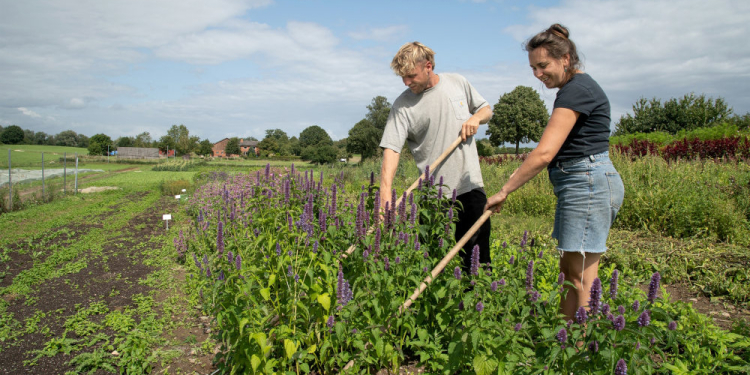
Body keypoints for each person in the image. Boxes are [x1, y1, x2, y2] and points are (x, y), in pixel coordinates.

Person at [484, 24, 625, 321]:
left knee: (582, 278)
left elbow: (544, 153)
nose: (537, 74)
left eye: (543, 65)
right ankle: (562, 343)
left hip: (587, 183)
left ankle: (581, 351)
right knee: (568, 273)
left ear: (565, 58)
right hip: (578, 183)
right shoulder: (573, 89)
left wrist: (505, 190)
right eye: (533, 67)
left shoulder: (577, 90)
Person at [379, 41, 493, 273]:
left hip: (470, 187)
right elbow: (391, 149)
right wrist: (384, 198)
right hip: (434, 198)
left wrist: (475, 118)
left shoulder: (457, 82)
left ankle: (479, 307)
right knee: (431, 264)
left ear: (428, 66)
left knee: (478, 263)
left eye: (411, 76)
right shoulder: (402, 106)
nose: (407, 83)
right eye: (402, 78)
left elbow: (486, 109)